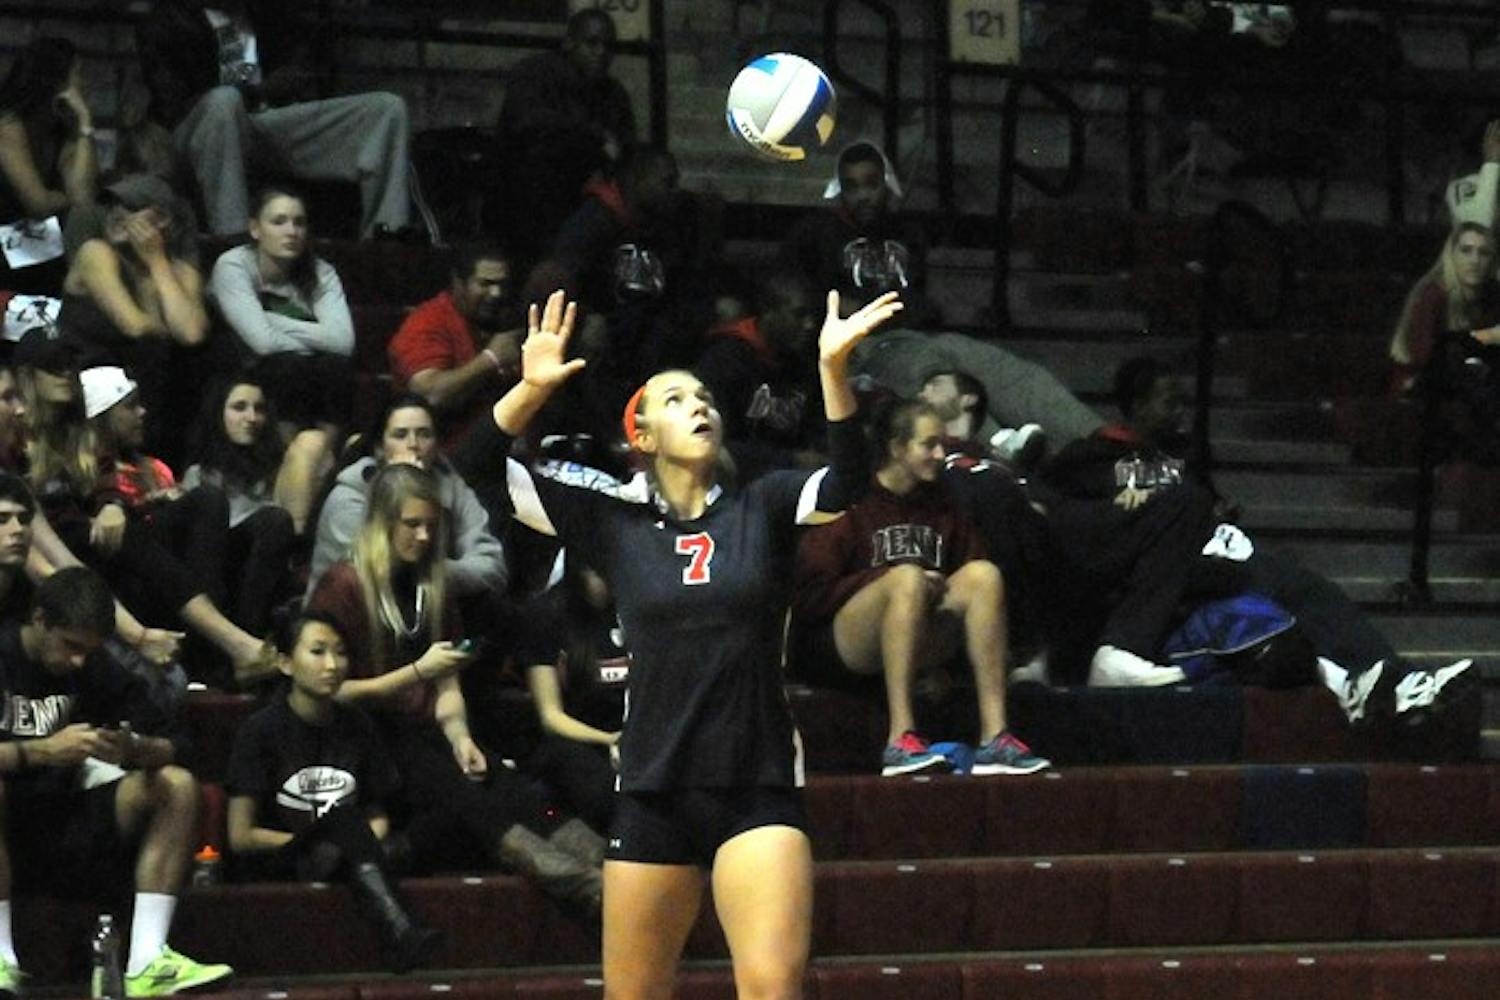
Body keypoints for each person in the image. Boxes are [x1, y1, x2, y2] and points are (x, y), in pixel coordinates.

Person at [457, 286, 903, 999]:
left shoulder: (765, 504)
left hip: (755, 783)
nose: (698, 405)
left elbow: (849, 481)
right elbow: (474, 469)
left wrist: (832, 371)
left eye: (704, 396)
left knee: (771, 988)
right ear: (641, 437)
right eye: (674, 399)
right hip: (653, 789)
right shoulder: (613, 523)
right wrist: (528, 390)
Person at [306, 462, 603, 914]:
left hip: (428, 729)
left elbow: (447, 680)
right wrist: (416, 673)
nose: (424, 537)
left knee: (513, 789)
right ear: (382, 522)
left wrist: (461, 735)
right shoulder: (343, 585)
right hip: (366, 735)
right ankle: (588, 887)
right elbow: (325, 692)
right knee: (470, 800)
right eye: (412, 525)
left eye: (431, 526)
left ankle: (610, 864)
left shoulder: (432, 582)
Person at [0, 565, 233, 997]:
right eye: (70, 646)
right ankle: (0, 958)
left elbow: (180, 745)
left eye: (88, 651)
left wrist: (135, 749)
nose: (78, 661)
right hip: (9, 824)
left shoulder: (93, 666)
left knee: (176, 785)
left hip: (65, 822)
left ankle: (148, 960)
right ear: (38, 620)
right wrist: (39, 751)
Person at [791, 398, 1050, 776]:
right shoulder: (850, 499)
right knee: (908, 577)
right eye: (928, 444)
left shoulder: (944, 504)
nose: (940, 454)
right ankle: (900, 738)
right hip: (843, 643)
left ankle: (995, 738)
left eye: (942, 444)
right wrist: (886, 580)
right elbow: (809, 595)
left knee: (984, 575)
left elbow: (976, 597)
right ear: (897, 448)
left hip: (915, 634)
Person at [17, 351, 274, 689]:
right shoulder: (19, 445)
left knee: (243, 513)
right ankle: (221, 646)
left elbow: (104, 487)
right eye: (130, 406)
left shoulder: (88, 442)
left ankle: (227, 647)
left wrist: (115, 505)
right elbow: (46, 540)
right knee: (137, 534)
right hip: (82, 561)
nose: (143, 414)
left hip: (109, 552)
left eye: (68, 366)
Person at [225, 610, 443, 971]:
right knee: (341, 820)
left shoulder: (358, 724)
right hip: (287, 852)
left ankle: (398, 926)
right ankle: (400, 929)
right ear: (285, 663)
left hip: (351, 851)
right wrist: (326, 842)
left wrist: (360, 846)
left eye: (341, 652)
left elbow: (376, 812)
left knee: (439, 819)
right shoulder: (259, 731)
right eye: (318, 651)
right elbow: (240, 836)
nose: (333, 664)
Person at [135, 0, 412, 238]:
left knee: (387, 109)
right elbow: (172, 106)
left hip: (265, 125)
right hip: (198, 133)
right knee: (224, 102)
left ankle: (387, 238)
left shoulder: (265, 13)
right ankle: (234, 243)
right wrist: (257, 92)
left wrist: (294, 78)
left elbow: (301, 66)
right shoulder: (167, 20)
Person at [0, 354, 184, 667]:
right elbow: (45, 570)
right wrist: (135, 637)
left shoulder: (10, 477)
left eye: (17, 396)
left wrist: (139, 635)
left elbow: (63, 563)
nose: (19, 409)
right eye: (6, 398)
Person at [209, 185, 353, 486]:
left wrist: (271, 320)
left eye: (299, 222)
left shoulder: (321, 272)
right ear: (255, 228)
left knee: (336, 367)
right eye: (279, 221)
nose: (292, 231)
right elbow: (262, 343)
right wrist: (314, 336)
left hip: (303, 368)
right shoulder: (234, 265)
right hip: (241, 365)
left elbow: (343, 342)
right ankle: (286, 461)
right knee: (290, 365)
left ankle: (324, 461)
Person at [57, 174, 207, 461]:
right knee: (155, 356)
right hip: (91, 380)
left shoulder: (177, 269)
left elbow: (191, 333)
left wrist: (156, 261)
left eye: (129, 207)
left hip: (143, 391)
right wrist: (152, 290)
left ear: (161, 219)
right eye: (111, 206)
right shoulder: (95, 253)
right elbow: (136, 327)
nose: (115, 215)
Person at [306, 393, 506, 603]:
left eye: (424, 434)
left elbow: (492, 566)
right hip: (348, 613)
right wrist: (435, 572)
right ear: (380, 448)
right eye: (400, 435)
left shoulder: (451, 485)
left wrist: (435, 573)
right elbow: (380, 572)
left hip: (425, 608)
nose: (413, 444)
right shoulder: (348, 497)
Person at [494, 8, 637, 258]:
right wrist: (592, 136)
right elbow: (527, 125)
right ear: (570, 43)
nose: (601, 53)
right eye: (591, 43)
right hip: (528, 198)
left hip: (585, 201)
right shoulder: (536, 75)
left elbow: (624, 148)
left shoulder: (613, 94)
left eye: (608, 46)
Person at [515, 554, 628, 834]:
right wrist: (609, 740)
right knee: (606, 795)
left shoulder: (640, 606)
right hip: (575, 740)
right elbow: (550, 717)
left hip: (635, 736)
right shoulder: (546, 614)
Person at [784, 141, 937, 326]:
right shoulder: (815, 234)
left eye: (871, 184)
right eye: (851, 187)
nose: (863, 196)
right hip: (838, 335)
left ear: (886, 185)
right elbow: (794, 292)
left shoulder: (908, 234)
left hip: (900, 336)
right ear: (841, 190)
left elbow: (919, 298)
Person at [386, 245, 523, 450]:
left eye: (502, 284)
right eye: (485, 284)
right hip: (440, 459)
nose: (496, 293)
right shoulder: (427, 323)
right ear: (458, 283)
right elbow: (429, 394)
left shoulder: (506, 320)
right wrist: (490, 359)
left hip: (505, 455)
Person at [0, 37, 96, 297]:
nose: (85, 85)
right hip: (6, 243)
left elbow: (84, 199)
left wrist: (84, 127)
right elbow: (39, 203)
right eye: (78, 75)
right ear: (56, 82)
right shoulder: (8, 124)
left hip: (36, 243)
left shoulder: (61, 130)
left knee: (83, 230)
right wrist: (68, 201)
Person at [1389, 222, 1500, 395]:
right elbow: (1425, 357)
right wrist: (1484, 339)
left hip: (1469, 381)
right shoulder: (1432, 295)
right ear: (1452, 255)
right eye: (1466, 250)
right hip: (1420, 388)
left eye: (1483, 253)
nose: (1475, 260)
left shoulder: (1492, 294)